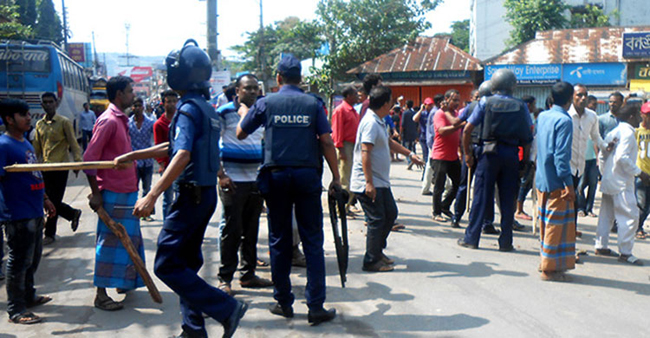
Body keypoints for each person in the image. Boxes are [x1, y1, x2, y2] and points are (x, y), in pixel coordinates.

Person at [118, 40, 247, 338]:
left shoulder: (187, 109)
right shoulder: (205, 108)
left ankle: (227, 308)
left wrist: (152, 195)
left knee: (165, 264)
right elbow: (178, 146)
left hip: (190, 196)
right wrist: (133, 156)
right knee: (186, 265)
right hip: (205, 196)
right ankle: (193, 330)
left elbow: (183, 154)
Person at [237, 54, 341, 325]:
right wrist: (336, 177)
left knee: (279, 241)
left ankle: (283, 302)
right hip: (307, 177)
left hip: (276, 177)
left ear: (279, 78)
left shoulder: (265, 102)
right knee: (313, 242)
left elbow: (240, 133)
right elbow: (327, 142)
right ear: (301, 78)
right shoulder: (313, 103)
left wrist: (244, 110)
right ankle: (316, 306)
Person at [84, 76, 143, 312]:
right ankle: (100, 294)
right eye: (130, 91)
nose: (133, 96)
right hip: (113, 193)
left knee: (129, 240)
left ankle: (122, 282)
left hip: (127, 190)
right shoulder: (108, 121)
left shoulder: (121, 119)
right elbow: (89, 159)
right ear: (119, 94)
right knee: (110, 243)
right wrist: (96, 194)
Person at [350, 85, 424, 272]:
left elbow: (388, 142)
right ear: (384, 103)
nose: (393, 104)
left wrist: (410, 154)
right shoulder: (371, 123)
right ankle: (371, 260)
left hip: (380, 180)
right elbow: (365, 152)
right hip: (369, 181)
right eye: (391, 101)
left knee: (390, 214)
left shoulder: (379, 121)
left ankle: (377, 251)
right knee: (377, 219)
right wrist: (368, 183)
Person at [458, 69, 533, 251]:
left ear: (494, 85)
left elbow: (467, 130)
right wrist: (524, 164)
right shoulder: (521, 105)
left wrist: (467, 154)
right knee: (508, 200)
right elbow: (528, 137)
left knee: (481, 197)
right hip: (511, 155)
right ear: (513, 86)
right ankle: (506, 242)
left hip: (488, 154)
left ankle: (471, 238)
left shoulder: (485, 102)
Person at [216, 73, 273, 295]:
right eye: (247, 88)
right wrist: (221, 175)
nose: (251, 92)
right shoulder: (224, 113)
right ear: (237, 91)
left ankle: (247, 274)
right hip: (232, 180)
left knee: (251, 230)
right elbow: (212, 146)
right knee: (232, 230)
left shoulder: (263, 113)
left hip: (255, 181)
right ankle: (225, 278)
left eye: (255, 88)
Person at [0, 99, 56, 324]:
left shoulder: (24, 142)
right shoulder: (3, 145)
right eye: (22, 115)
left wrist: (46, 199)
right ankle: (16, 309)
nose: (28, 118)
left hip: (34, 209)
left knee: (32, 258)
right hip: (17, 213)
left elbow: (34, 174)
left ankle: (29, 295)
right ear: (9, 119)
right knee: (19, 261)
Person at [596, 103, 649, 266]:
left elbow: (603, 155)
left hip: (611, 179)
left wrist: (606, 173)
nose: (641, 119)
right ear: (632, 116)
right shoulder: (627, 133)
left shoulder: (614, 131)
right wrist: (639, 173)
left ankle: (601, 245)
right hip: (622, 182)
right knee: (630, 216)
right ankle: (625, 252)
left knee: (606, 215)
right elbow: (622, 158)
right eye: (638, 116)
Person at [535, 81, 577, 282]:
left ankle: (545, 261)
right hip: (556, 182)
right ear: (570, 99)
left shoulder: (543, 116)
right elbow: (561, 157)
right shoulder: (565, 121)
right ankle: (549, 269)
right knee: (555, 225)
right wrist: (569, 186)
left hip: (542, 178)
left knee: (544, 222)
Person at [33, 92, 82, 245]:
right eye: (45, 102)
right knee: (46, 199)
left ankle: (49, 233)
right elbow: (37, 148)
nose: (48, 105)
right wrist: (32, 166)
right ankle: (72, 213)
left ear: (56, 103)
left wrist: (77, 162)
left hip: (61, 168)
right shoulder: (39, 125)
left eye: (51, 102)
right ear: (42, 105)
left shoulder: (64, 122)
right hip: (45, 168)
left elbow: (73, 143)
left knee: (53, 200)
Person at [568, 84, 610, 237]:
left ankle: (571, 229)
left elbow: (596, 136)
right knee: (564, 200)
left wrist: (606, 146)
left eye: (585, 95)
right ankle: (560, 232)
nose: (583, 98)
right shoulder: (566, 115)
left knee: (573, 199)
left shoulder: (592, 116)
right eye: (579, 95)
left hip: (581, 164)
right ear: (572, 97)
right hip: (565, 166)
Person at [452, 83, 492, 228]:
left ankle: (456, 216)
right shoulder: (493, 105)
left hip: (470, 147)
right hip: (486, 150)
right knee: (486, 187)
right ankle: (486, 222)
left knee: (464, 185)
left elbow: (457, 122)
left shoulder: (470, 107)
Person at [431, 89, 463, 223]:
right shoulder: (440, 114)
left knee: (459, 183)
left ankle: (445, 206)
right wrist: (459, 125)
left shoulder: (455, 115)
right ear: (446, 99)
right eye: (454, 100)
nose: (457, 103)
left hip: (453, 156)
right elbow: (442, 131)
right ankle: (436, 212)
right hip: (440, 156)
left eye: (458, 100)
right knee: (439, 186)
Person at [331, 85, 360, 216]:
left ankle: (347, 206)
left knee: (351, 178)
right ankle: (340, 208)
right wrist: (340, 149)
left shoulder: (352, 110)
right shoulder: (340, 110)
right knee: (344, 179)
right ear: (348, 96)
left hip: (353, 146)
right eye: (355, 94)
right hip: (345, 146)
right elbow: (337, 131)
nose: (357, 97)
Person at [128, 97, 156, 222]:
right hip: (134, 162)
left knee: (147, 188)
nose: (137, 108)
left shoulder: (150, 123)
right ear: (132, 108)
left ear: (143, 107)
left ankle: (146, 213)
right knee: (133, 188)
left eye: (139, 105)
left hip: (148, 161)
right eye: (135, 106)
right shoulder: (127, 124)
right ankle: (134, 212)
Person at [153, 89, 179, 219]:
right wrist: (162, 164)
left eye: (174, 101)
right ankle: (167, 224)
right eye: (169, 102)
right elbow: (159, 146)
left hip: (181, 164)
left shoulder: (181, 119)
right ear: (163, 104)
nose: (172, 104)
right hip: (168, 165)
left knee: (181, 197)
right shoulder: (159, 124)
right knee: (168, 198)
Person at [515, 95, 538, 221]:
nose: (534, 107)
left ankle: (519, 208)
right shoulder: (524, 118)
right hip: (523, 156)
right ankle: (518, 210)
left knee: (526, 184)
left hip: (528, 155)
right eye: (533, 105)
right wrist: (527, 159)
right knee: (523, 183)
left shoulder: (527, 117)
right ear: (528, 105)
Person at [414, 97, 437, 195]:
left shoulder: (435, 113)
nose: (430, 106)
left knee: (430, 160)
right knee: (427, 158)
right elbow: (414, 119)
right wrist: (420, 109)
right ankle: (426, 178)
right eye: (428, 105)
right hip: (424, 138)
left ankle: (429, 178)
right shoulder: (423, 114)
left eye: (431, 104)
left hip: (432, 139)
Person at [636, 102, 650, 239]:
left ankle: (638, 225)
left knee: (648, 206)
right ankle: (637, 227)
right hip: (640, 174)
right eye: (648, 114)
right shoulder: (637, 131)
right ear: (642, 115)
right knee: (640, 202)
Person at [401, 100, 419, 170]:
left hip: (406, 133)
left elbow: (402, 125)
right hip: (413, 133)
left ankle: (409, 161)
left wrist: (400, 134)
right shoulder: (414, 113)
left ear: (406, 105)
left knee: (407, 148)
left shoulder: (405, 113)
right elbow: (417, 124)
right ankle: (414, 158)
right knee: (413, 147)